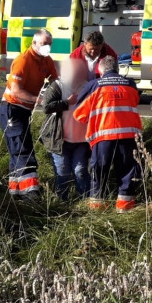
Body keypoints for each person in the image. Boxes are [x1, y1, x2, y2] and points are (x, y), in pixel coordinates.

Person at [73, 56, 143, 211]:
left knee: (100, 174)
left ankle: (98, 211)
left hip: (103, 137)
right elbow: (135, 101)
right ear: (117, 68)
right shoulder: (131, 84)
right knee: (127, 173)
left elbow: (79, 114)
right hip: (129, 137)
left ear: (100, 69)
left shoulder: (94, 86)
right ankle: (125, 210)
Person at [0, 29, 58, 199]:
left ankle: (16, 192)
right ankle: (31, 192)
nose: (47, 47)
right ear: (34, 43)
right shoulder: (23, 61)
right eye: (44, 43)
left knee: (16, 151)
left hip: (24, 111)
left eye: (49, 44)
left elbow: (54, 80)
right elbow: (16, 91)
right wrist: (40, 100)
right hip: (12, 108)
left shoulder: (46, 60)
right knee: (23, 150)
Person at [40, 60, 91, 201]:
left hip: (81, 141)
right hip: (59, 140)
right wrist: (67, 103)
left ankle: (85, 202)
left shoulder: (88, 87)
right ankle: (62, 202)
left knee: (80, 171)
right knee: (63, 172)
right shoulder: (58, 86)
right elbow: (46, 107)